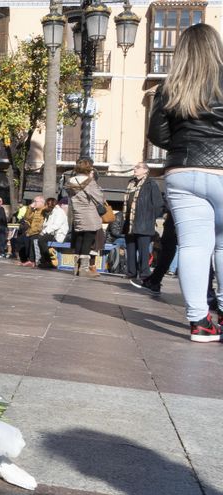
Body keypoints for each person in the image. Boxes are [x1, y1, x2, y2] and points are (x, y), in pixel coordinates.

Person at [147, 22, 223, 342]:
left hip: (181, 172)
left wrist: (183, 145)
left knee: (193, 246)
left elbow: (158, 135)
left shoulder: (170, 86)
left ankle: (200, 322)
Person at [123, 162, 164, 285]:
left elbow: (158, 204)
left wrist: (150, 217)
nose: (134, 169)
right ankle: (131, 272)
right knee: (130, 249)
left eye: (138, 167)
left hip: (144, 222)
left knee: (143, 250)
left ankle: (144, 273)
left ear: (146, 170)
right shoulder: (131, 183)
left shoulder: (151, 184)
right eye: (135, 167)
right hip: (130, 223)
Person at [65, 158, 105, 278]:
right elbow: (99, 198)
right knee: (88, 240)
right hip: (90, 214)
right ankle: (84, 269)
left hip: (78, 213)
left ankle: (76, 268)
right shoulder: (90, 182)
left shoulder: (70, 182)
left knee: (79, 239)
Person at [37, 197, 69, 268]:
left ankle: (48, 260)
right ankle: (44, 259)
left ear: (49, 204)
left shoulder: (59, 212)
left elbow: (56, 225)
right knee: (38, 238)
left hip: (58, 235)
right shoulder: (52, 212)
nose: (44, 206)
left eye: (46, 205)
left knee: (42, 240)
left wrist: (44, 231)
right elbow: (47, 225)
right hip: (52, 233)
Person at [21, 195, 46, 267]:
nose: (34, 203)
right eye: (34, 201)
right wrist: (30, 208)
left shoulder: (44, 211)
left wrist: (32, 232)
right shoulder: (35, 211)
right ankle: (27, 259)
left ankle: (33, 261)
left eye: (35, 201)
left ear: (42, 202)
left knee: (33, 239)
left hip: (39, 232)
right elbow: (27, 218)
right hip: (32, 231)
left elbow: (41, 225)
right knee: (22, 239)